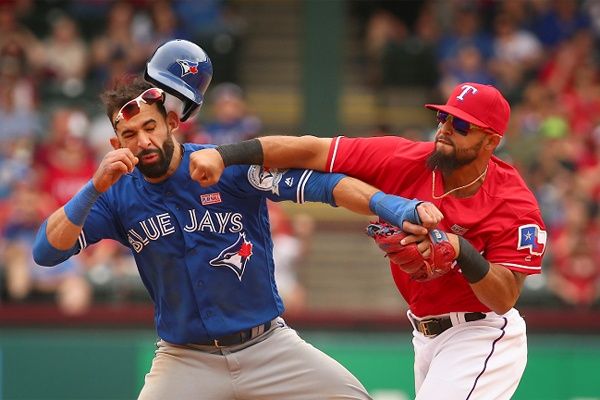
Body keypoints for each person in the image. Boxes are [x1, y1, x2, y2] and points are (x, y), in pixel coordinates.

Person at [32, 39, 444, 400]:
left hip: (267, 346)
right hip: (184, 358)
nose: (143, 141)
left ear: (173, 123)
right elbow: (46, 252)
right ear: (115, 143)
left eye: (150, 127)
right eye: (129, 135)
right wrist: (93, 186)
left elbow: (326, 186)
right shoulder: (115, 195)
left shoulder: (221, 166)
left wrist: (398, 208)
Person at [189, 82, 547, 399]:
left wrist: (460, 250)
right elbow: (311, 150)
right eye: (443, 118)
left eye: (462, 125)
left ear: (491, 141)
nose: (446, 129)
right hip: (425, 335)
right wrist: (224, 154)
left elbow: (504, 298)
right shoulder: (406, 159)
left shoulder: (513, 203)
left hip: (482, 333)